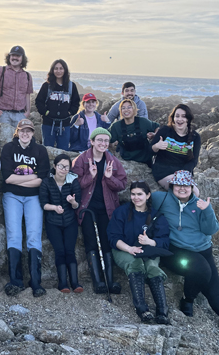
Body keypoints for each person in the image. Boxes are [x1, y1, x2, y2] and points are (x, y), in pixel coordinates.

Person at [153, 171, 219, 337]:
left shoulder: (200, 204)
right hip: (176, 250)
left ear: (192, 187)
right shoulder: (162, 199)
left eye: (186, 185)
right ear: (172, 186)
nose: (182, 188)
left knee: (214, 290)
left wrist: (207, 210)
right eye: (178, 185)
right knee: (202, 270)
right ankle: (188, 300)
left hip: (203, 248)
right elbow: (139, 198)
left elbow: (211, 230)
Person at [72, 128, 127, 294]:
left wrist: (109, 178)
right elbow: (74, 185)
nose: (103, 143)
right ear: (92, 141)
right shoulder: (81, 160)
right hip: (87, 208)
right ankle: (98, 282)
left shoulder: (113, 161)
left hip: (107, 208)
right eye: (100, 140)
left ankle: (109, 280)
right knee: (91, 241)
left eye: (106, 141)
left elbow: (122, 185)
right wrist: (91, 176)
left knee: (106, 241)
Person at [107, 181, 170, 324]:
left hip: (149, 250)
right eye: (133, 194)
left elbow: (165, 241)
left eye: (140, 194)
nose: (136, 198)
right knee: (135, 264)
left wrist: (150, 242)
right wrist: (129, 249)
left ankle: (162, 311)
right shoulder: (121, 212)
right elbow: (113, 237)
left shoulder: (157, 216)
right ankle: (142, 309)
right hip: (124, 249)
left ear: (148, 195)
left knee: (153, 268)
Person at [0, 118, 50, 297]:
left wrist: (20, 179)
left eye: (29, 130)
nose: (25, 133)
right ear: (17, 132)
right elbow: (7, 178)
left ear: (33, 133)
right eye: (22, 130)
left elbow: (42, 179)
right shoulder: (8, 148)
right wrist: (32, 178)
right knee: (14, 235)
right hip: (11, 196)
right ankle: (16, 281)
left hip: (34, 198)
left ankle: (36, 282)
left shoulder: (40, 150)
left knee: (34, 236)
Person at [39, 154, 83, 293]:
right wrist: (54, 207)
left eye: (66, 167)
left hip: (70, 221)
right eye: (61, 166)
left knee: (70, 251)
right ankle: (63, 283)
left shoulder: (73, 181)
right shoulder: (47, 182)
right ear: (55, 166)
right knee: (60, 251)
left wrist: (72, 202)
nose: (63, 169)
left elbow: (77, 205)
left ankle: (75, 282)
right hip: (53, 221)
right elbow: (43, 204)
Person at [151, 104, 201, 190]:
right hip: (163, 171)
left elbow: (194, 160)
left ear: (188, 119)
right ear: (173, 118)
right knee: (179, 189)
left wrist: (183, 173)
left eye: (183, 116)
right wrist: (156, 146)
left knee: (195, 193)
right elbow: (149, 150)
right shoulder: (165, 131)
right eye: (177, 116)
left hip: (183, 172)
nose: (180, 119)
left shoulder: (195, 137)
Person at [35, 59, 80, 150]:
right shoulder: (47, 86)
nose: (58, 71)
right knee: (47, 150)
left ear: (65, 70)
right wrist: (46, 112)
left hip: (64, 125)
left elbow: (76, 102)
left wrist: (69, 113)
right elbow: (39, 102)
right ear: (52, 70)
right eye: (56, 68)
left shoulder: (71, 86)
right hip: (48, 124)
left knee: (63, 151)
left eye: (61, 68)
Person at [109, 99, 160, 166]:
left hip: (145, 161)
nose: (126, 109)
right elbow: (107, 138)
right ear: (121, 111)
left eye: (129, 107)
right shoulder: (116, 126)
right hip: (126, 161)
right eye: (123, 108)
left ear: (134, 109)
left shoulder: (143, 122)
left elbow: (157, 127)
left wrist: (154, 135)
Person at [0, 46, 34, 128]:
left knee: (20, 140)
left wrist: (28, 112)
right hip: (3, 114)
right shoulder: (1, 71)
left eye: (18, 56)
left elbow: (27, 94)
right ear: (9, 57)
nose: (15, 58)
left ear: (22, 58)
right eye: (13, 55)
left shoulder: (27, 76)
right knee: (4, 140)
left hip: (20, 115)